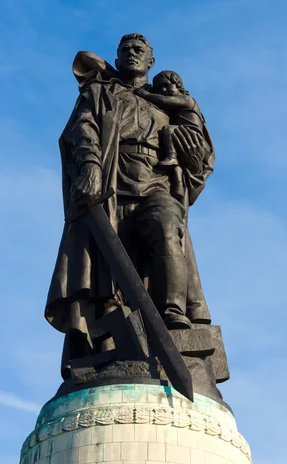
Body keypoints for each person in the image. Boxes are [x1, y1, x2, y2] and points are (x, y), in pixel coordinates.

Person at [45, 34, 215, 379]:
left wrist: (196, 159)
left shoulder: (169, 103)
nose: (132, 54)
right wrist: (91, 166)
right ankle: (110, 344)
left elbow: (200, 153)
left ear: (150, 61)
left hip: (156, 182)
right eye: (125, 51)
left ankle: (173, 315)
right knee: (106, 270)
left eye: (139, 51)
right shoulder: (100, 93)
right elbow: (83, 130)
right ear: (117, 59)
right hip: (110, 185)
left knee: (169, 227)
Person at [135, 70, 206, 199]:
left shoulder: (187, 100)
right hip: (183, 133)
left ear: (178, 85)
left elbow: (165, 101)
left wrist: (146, 95)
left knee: (168, 130)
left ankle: (170, 155)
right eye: (160, 88)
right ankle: (177, 185)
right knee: (177, 164)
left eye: (167, 85)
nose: (164, 90)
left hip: (190, 132)